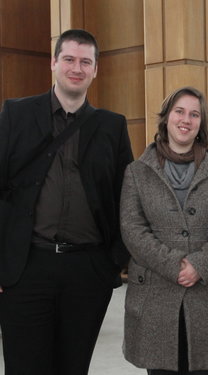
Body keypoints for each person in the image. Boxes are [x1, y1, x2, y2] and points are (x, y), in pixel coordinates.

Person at [0, 29, 133, 374]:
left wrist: (111, 264)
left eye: (85, 61)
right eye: (70, 59)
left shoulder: (112, 126)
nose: (77, 67)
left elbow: (126, 197)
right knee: (24, 367)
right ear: (54, 63)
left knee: (73, 368)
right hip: (26, 267)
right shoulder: (16, 114)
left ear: (95, 70)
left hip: (88, 271)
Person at [120, 86, 208, 375]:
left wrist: (200, 265)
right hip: (156, 297)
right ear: (166, 117)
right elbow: (132, 228)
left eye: (194, 114)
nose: (185, 120)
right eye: (179, 111)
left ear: (202, 123)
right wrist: (174, 265)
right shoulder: (137, 172)